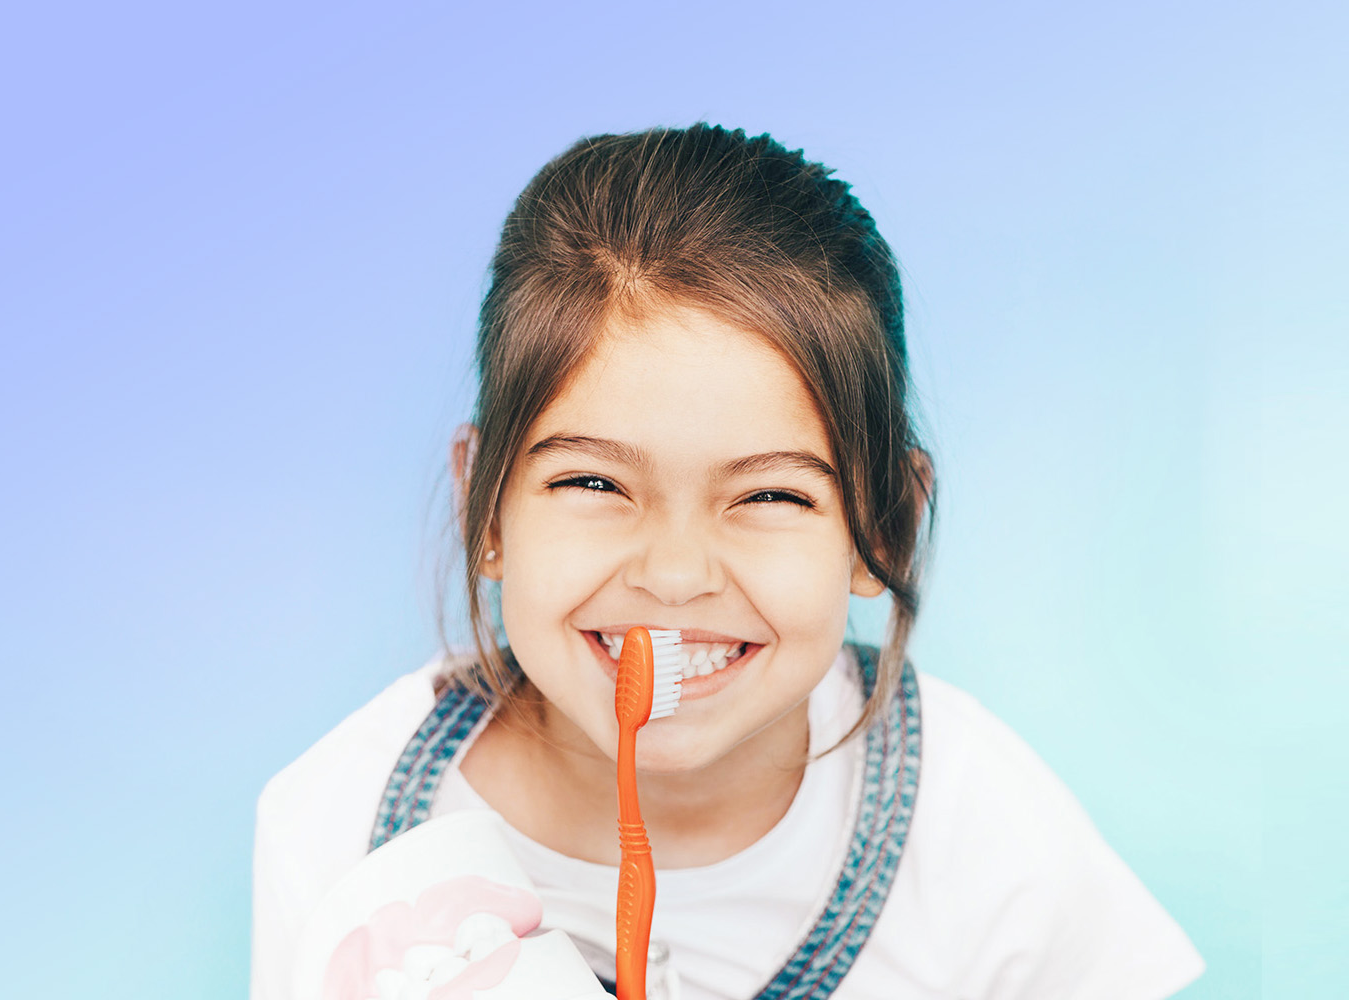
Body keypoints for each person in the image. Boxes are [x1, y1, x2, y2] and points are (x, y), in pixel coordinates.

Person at [250, 123, 1206, 999]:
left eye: (770, 496)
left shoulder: (984, 833)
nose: (674, 575)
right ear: (485, 509)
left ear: (884, 528)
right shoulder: (342, 821)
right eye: (593, 485)